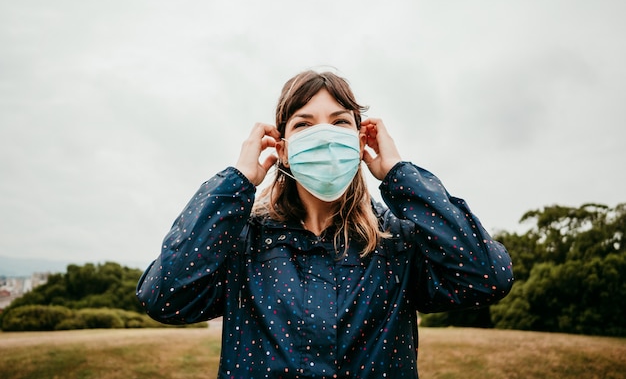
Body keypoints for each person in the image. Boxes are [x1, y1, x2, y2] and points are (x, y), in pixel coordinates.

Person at [136, 70, 514, 379]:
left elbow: (488, 276)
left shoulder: (395, 240)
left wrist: (400, 175)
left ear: (360, 140)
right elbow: (165, 297)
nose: (325, 136)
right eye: (304, 124)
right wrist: (236, 180)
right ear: (281, 148)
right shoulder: (241, 241)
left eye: (339, 123)